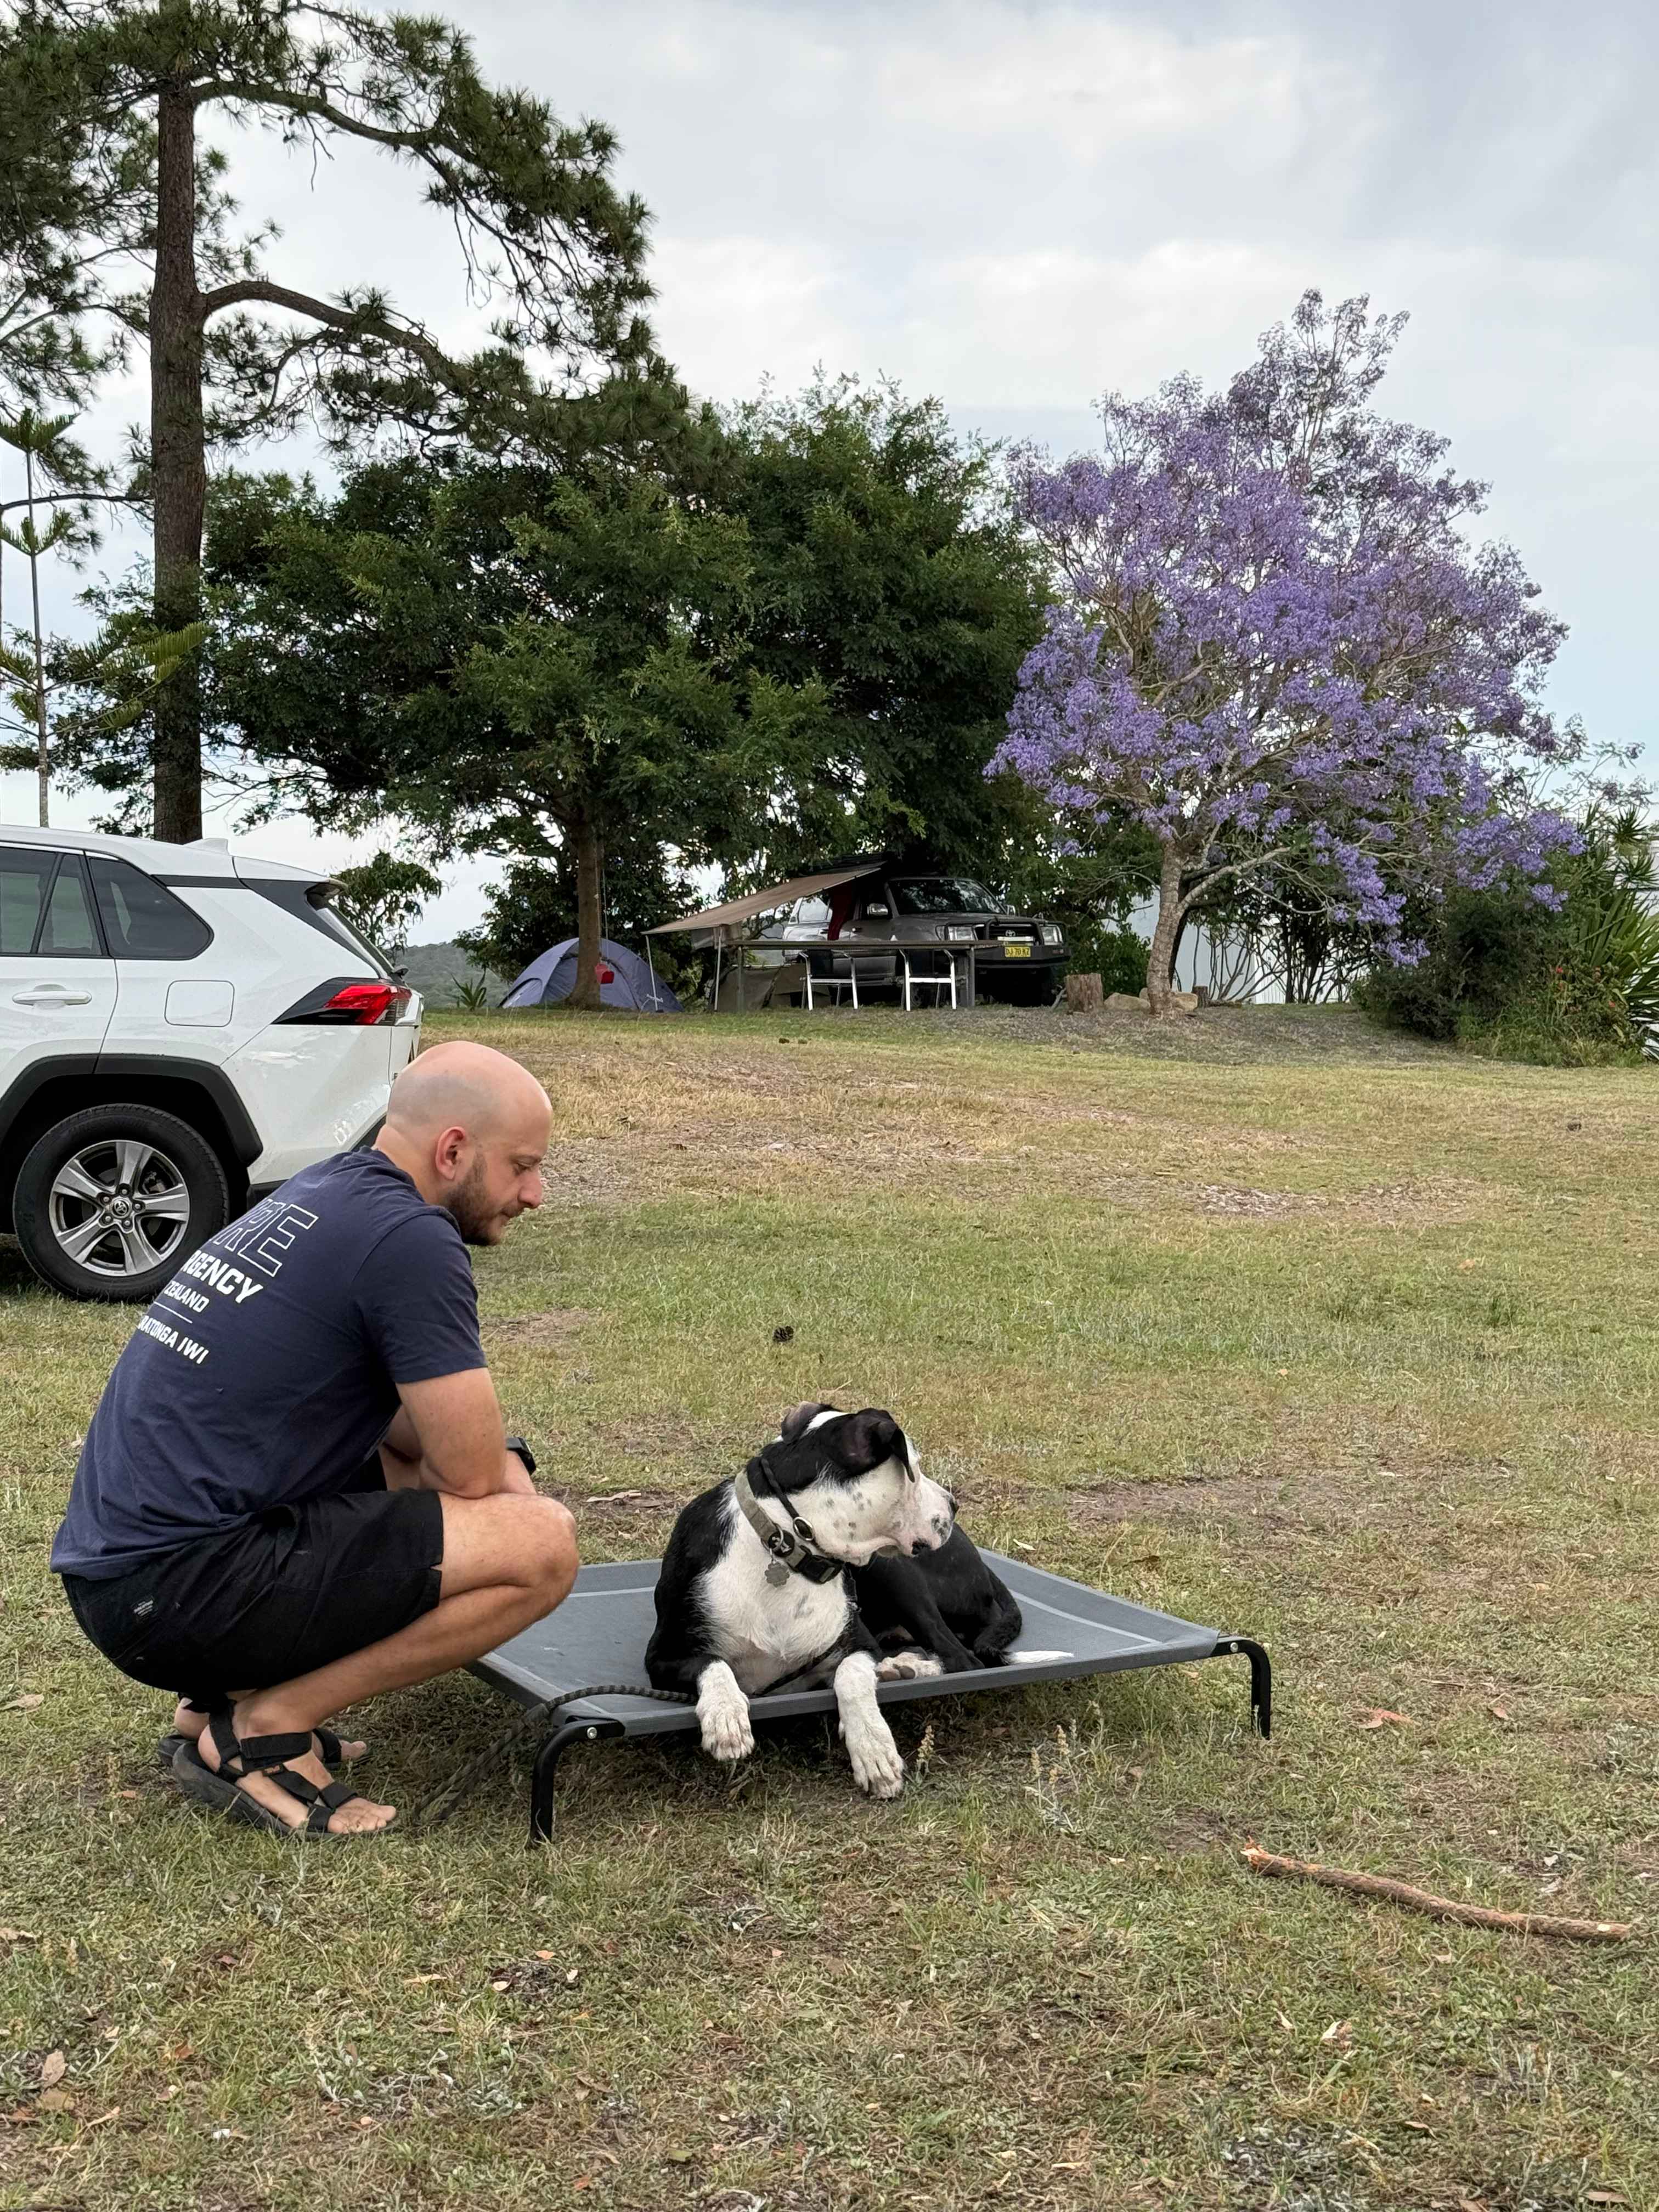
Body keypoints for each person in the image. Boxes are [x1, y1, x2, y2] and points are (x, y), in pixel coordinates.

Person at [50, 1040, 578, 1837]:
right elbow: (470, 1473)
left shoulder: (323, 1191)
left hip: (124, 1585)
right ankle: (266, 1727)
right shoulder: (411, 1237)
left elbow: (399, 1428)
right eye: (524, 1166)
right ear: (455, 1150)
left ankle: (213, 1707)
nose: (535, 1194)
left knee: (416, 1470)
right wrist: (514, 1484)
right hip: (174, 1594)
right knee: (542, 1548)